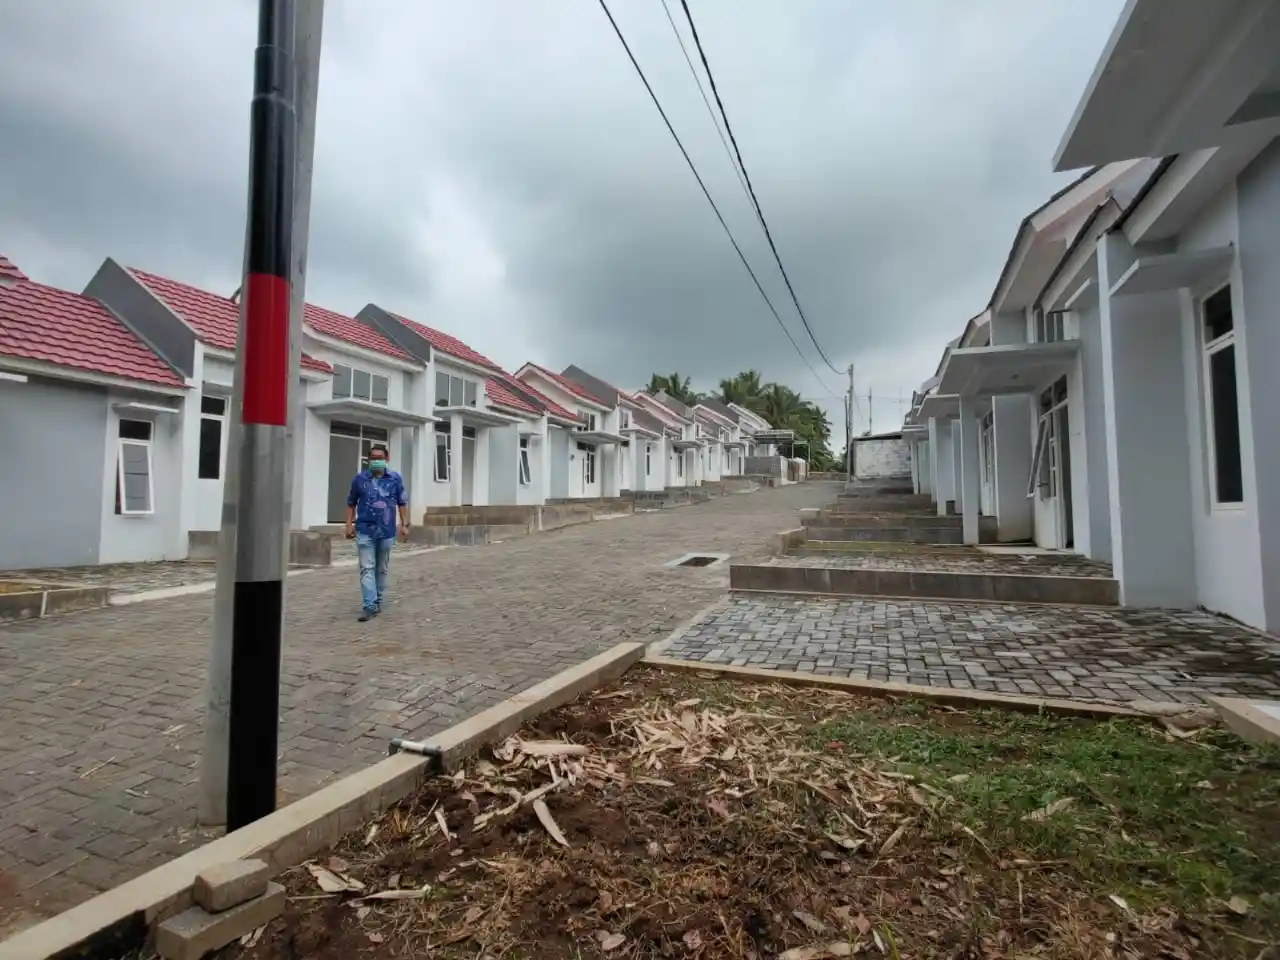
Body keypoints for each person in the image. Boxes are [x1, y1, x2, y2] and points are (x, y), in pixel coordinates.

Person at [345, 443, 409, 621]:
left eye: (380, 458)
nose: (376, 461)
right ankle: (370, 605)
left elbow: (402, 502)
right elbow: (351, 503)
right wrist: (349, 524)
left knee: (381, 568)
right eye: (373, 458)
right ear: (368, 460)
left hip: (387, 532)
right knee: (367, 568)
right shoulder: (360, 479)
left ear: (387, 459)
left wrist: (405, 524)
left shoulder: (395, 479)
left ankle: (377, 600)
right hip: (365, 530)